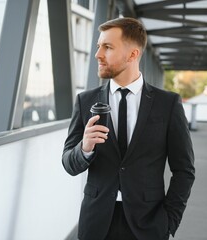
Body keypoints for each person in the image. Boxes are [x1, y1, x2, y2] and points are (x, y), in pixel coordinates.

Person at [62, 17, 195, 240]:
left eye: (108, 47)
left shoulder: (167, 104)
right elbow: (68, 163)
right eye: (98, 46)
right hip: (96, 224)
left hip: (149, 224)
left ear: (133, 55)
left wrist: (169, 221)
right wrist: (84, 148)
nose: (98, 55)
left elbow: (184, 171)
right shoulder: (85, 101)